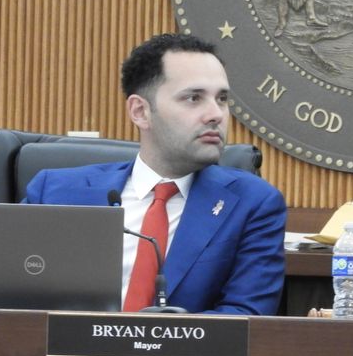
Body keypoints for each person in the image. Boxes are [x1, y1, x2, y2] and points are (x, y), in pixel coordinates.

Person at [25, 33, 287, 315]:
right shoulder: (52, 192)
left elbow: (246, 317)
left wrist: (161, 333)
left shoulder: (252, 204)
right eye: (193, 98)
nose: (216, 115)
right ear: (141, 112)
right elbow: (8, 299)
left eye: (222, 99)